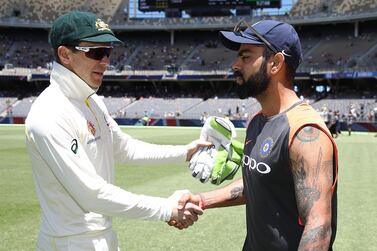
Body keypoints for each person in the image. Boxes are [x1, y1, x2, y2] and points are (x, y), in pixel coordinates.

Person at [25, 11, 207, 251]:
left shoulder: (92, 100)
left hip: (102, 237)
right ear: (65, 54)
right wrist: (168, 209)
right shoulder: (48, 114)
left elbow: (124, 148)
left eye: (108, 51)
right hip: (69, 243)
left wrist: (186, 152)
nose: (105, 61)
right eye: (96, 52)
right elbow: (91, 194)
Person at [173, 20, 338, 251]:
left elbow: (318, 226)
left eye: (246, 56)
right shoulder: (257, 120)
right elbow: (260, 183)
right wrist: (202, 200)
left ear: (275, 63)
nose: (234, 64)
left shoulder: (305, 132)